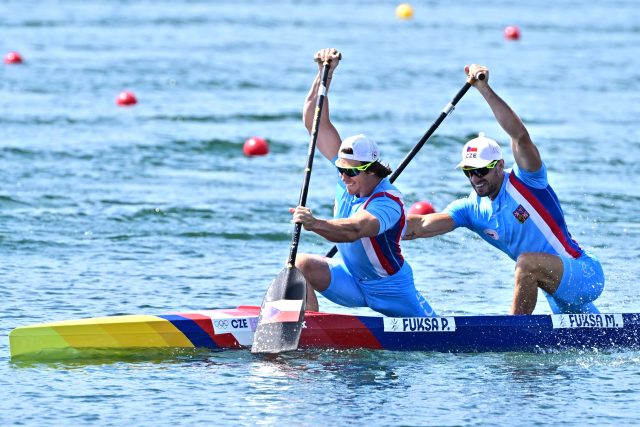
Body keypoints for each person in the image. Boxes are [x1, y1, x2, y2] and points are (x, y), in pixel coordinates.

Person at [404, 64, 605, 315]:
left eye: (481, 170)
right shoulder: (470, 209)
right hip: (555, 286)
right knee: (598, 342)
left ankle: (513, 337)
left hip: (583, 274)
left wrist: (483, 88)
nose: (475, 178)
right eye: (469, 172)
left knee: (526, 264)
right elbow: (419, 226)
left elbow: (520, 136)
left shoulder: (528, 182)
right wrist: (368, 228)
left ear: (499, 166)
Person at [289, 48, 435, 317]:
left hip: (392, 290)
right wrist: (325, 73)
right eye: (340, 170)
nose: (343, 177)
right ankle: (307, 328)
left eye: (351, 172)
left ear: (372, 171)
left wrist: (314, 224)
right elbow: (314, 122)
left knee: (438, 337)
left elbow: (354, 230)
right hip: (352, 280)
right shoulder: (348, 176)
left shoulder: (388, 202)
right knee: (301, 265)